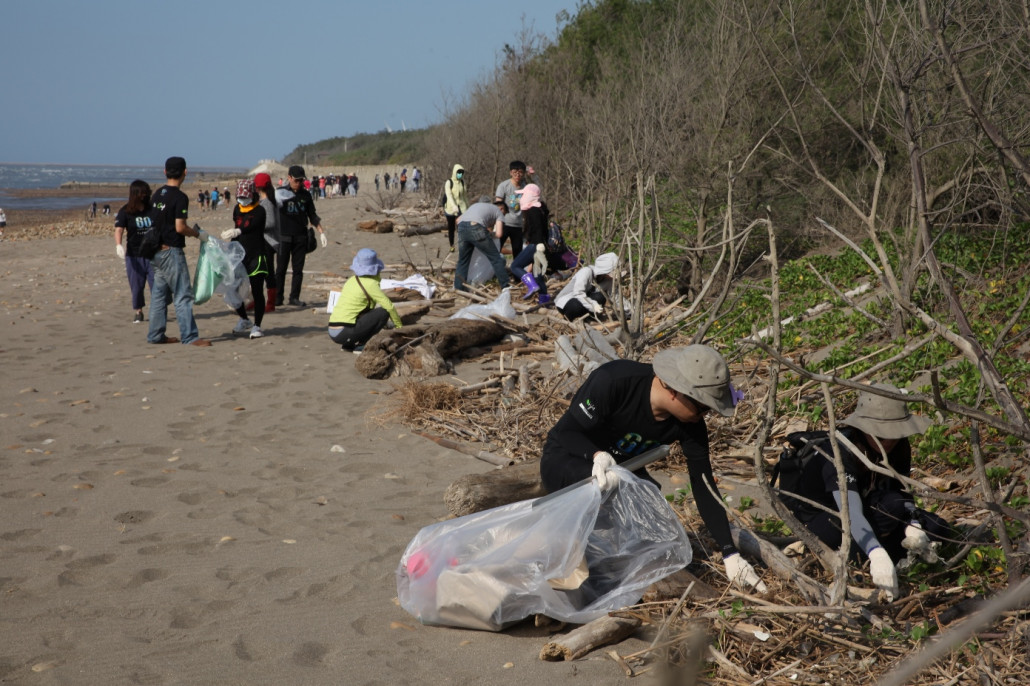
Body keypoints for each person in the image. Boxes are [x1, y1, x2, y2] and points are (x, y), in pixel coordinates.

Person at [540, 345, 768, 594]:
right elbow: (566, 433)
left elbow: (703, 484)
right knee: (602, 494)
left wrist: (729, 552)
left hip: (626, 469)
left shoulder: (690, 425)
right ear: (675, 391)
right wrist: (597, 456)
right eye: (703, 407)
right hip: (569, 457)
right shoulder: (615, 381)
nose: (705, 415)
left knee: (654, 514)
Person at [777, 384, 951, 601]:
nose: (889, 440)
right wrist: (876, 554)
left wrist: (913, 525)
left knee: (937, 528)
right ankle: (874, 554)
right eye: (881, 433)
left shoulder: (899, 445)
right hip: (827, 518)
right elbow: (850, 512)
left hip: (869, 504)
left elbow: (900, 490)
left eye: (894, 433)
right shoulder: (838, 451)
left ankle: (886, 550)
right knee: (891, 509)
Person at [146, 156, 212, 347]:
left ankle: (156, 335)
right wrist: (196, 234)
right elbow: (180, 227)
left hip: (155, 251)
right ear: (185, 172)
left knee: (158, 296)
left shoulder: (157, 194)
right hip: (170, 251)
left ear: (165, 172)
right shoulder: (180, 197)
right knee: (182, 294)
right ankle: (190, 337)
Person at [328, 248, 403, 352]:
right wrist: (399, 327)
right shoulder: (370, 284)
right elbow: (389, 306)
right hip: (344, 332)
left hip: (333, 330)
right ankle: (363, 345)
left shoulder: (352, 280)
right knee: (383, 312)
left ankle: (348, 345)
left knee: (366, 311)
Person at [221, 179, 269, 339]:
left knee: (256, 290)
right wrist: (228, 246)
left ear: (252, 195)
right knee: (232, 288)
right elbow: (237, 227)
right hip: (239, 255)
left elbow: (251, 227)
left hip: (256, 254)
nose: (242, 199)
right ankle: (244, 319)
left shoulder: (260, 211)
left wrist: (237, 231)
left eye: (245, 196)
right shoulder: (237, 209)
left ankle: (257, 325)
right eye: (240, 197)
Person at [274, 165, 327, 308]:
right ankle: (278, 298)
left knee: (298, 270)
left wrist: (321, 232)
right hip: (283, 236)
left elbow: (312, 215)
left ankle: (294, 297)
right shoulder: (280, 193)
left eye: (301, 180)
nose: (299, 183)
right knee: (280, 270)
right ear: (289, 177)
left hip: (300, 237)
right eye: (296, 180)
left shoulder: (306, 195)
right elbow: (268, 210)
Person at [113, 179, 156, 323]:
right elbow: (119, 229)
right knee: (136, 286)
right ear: (135, 194)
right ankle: (138, 311)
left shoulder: (152, 209)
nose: (144, 195)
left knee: (156, 285)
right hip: (134, 255)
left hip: (153, 254)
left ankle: (157, 311)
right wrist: (118, 245)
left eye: (146, 192)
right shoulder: (125, 211)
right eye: (141, 193)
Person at [453, 195, 510, 292]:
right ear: (501, 209)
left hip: (461, 228)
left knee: (463, 261)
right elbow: (499, 234)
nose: (503, 215)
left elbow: (457, 220)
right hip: (476, 228)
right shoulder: (498, 212)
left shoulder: (474, 206)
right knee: (496, 258)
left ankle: (458, 288)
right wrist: (490, 234)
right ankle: (505, 286)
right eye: (504, 213)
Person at [508, 183, 551, 305]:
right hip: (541, 245)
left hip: (536, 245)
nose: (522, 198)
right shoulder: (540, 208)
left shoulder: (533, 210)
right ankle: (544, 299)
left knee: (515, 266)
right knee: (537, 273)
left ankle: (531, 286)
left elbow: (537, 229)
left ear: (530, 196)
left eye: (524, 194)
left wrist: (537, 244)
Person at [554, 252, 619, 321]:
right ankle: (570, 319)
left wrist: (629, 311)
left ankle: (590, 317)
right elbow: (578, 293)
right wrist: (593, 305)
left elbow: (616, 295)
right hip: (567, 301)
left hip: (585, 301)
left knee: (600, 297)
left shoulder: (607, 280)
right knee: (575, 305)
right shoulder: (586, 272)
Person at [494, 160, 532, 259]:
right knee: (497, 248)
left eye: (520, 172)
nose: (518, 175)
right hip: (505, 222)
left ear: (523, 173)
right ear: (511, 172)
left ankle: (516, 273)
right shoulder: (504, 186)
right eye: (515, 172)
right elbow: (498, 204)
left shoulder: (526, 186)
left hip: (518, 224)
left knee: (517, 252)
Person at [254, 172, 281, 312]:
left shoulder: (267, 202)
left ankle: (270, 302)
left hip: (268, 242)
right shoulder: (266, 200)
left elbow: (270, 223)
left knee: (267, 272)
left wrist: (254, 225)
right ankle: (258, 299)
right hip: (263, 241)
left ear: (258, 187)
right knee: (259, 272)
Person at [442, 164, 469, 253]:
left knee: (462, 227)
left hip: (461, 208)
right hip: (450, 209)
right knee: (451, 228)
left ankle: (463, 245)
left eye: (461, 173)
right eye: (458, 172)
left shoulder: (462, 182)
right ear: (455, 172)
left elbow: (464, 196)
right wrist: (453, 206)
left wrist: (468, 207)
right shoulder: (449, 182)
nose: (460, 174)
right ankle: (452, 245)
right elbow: (449, 195)